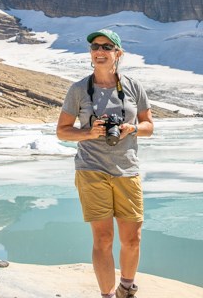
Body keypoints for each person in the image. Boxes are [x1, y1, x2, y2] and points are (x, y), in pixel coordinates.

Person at [56, 28, 154, 298]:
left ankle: (126, 287)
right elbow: (62, 131)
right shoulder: (78, 89)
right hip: (91, 169)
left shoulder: (133, 86)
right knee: (103, 238)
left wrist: (131, 128)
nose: (100, 51)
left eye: (107, 47)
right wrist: (88, 132)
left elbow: (149, 126)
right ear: (91, 54)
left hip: (126, 169)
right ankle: (107, 295)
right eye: (95, 47)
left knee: (132, 239)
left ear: (118, 54)